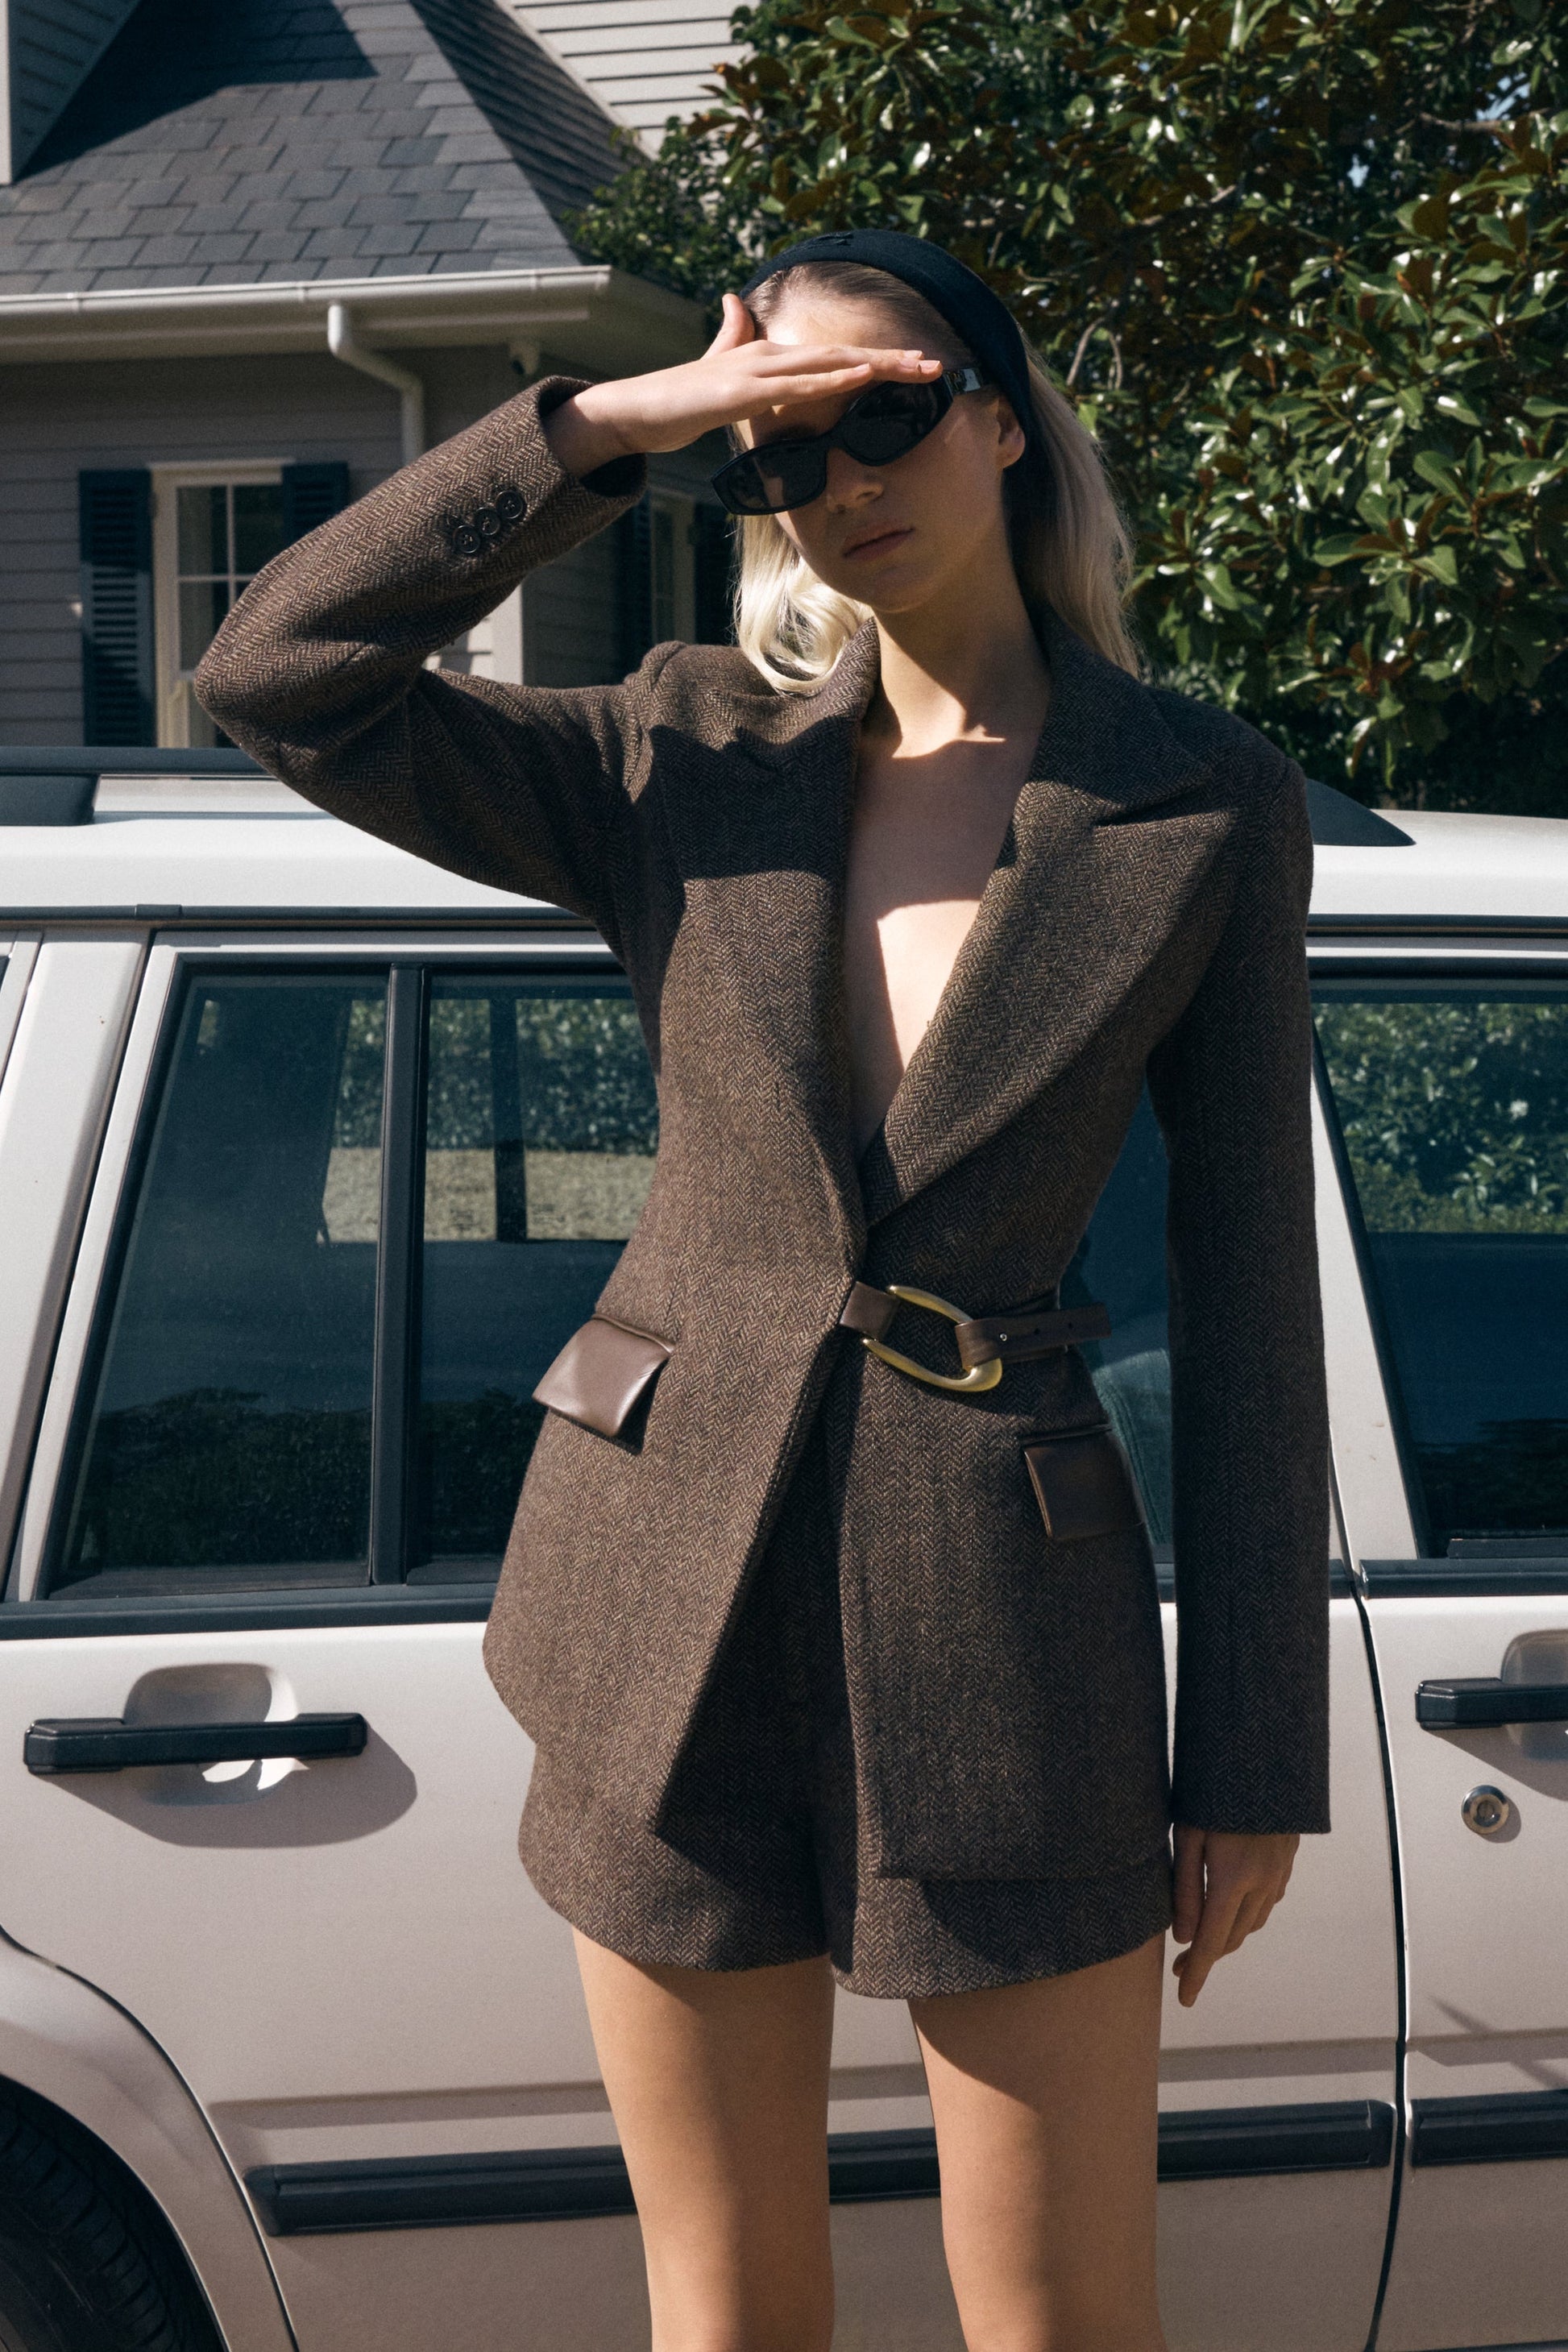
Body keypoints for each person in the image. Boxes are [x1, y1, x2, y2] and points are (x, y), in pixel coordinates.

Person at [195, 227, 1330, 2352]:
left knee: (1067, 2324)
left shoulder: (1197, 799)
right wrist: (608, 426)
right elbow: (276, 675)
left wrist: (1255, 1746)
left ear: (998, 418)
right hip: (659, 1596)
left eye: (877, 414)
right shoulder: (675, 749)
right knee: (722, 2316)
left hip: (1009, 1612)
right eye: (776, 452)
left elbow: (1248, 1279)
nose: (834, 482)